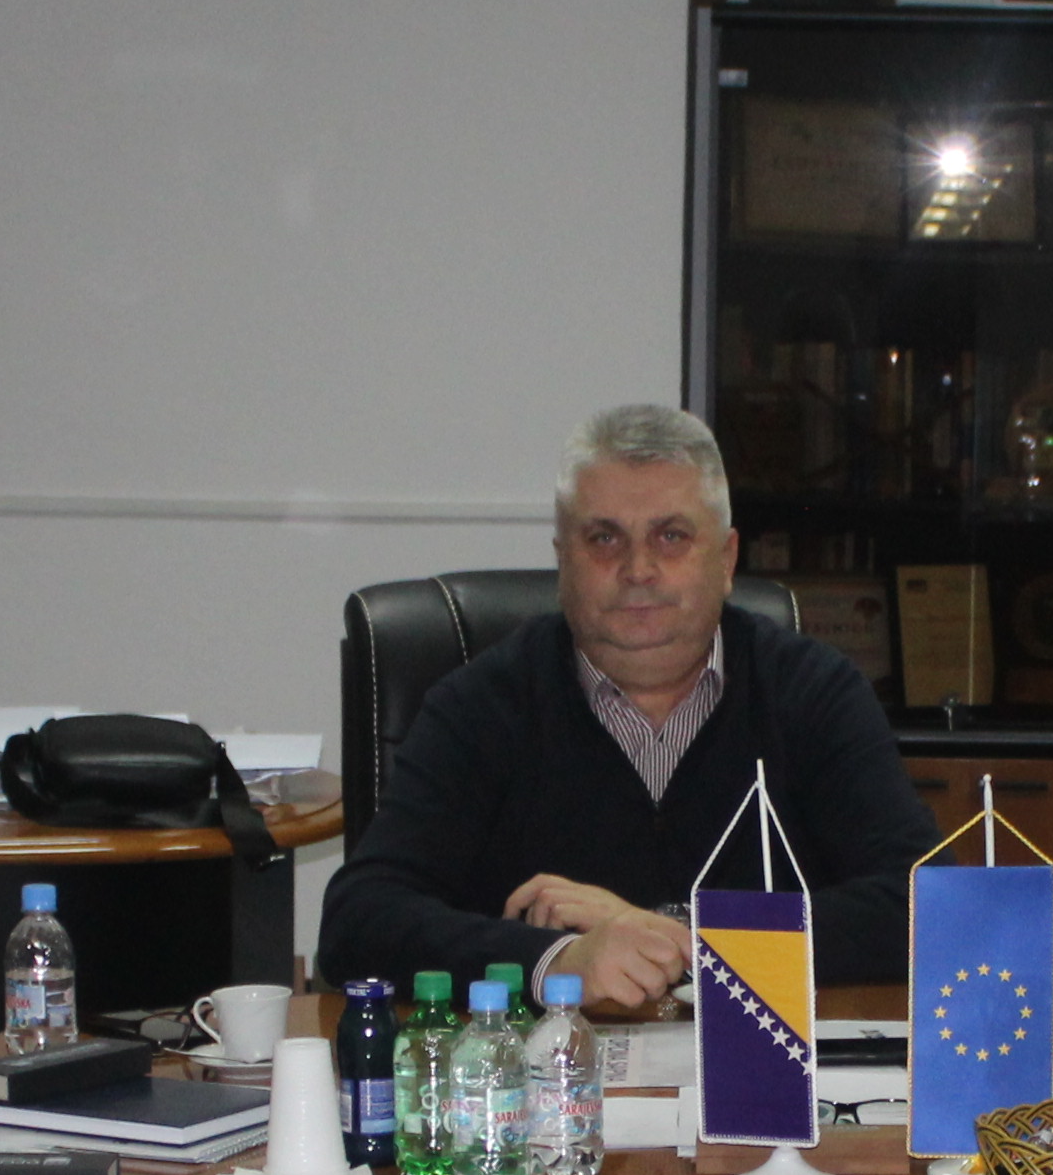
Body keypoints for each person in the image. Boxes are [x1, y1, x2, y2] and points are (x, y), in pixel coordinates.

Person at [318, 402, 933, 1003]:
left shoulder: (812, 692)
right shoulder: (482, 705)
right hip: (550, 1064)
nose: (639, 569)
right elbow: (359, 921)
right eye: (604, 538)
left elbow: (928, 905)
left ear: (726, 560)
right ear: (563, 562)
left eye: (671, 536)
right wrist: (558, 961)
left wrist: (682, 935)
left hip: (763, 1054)